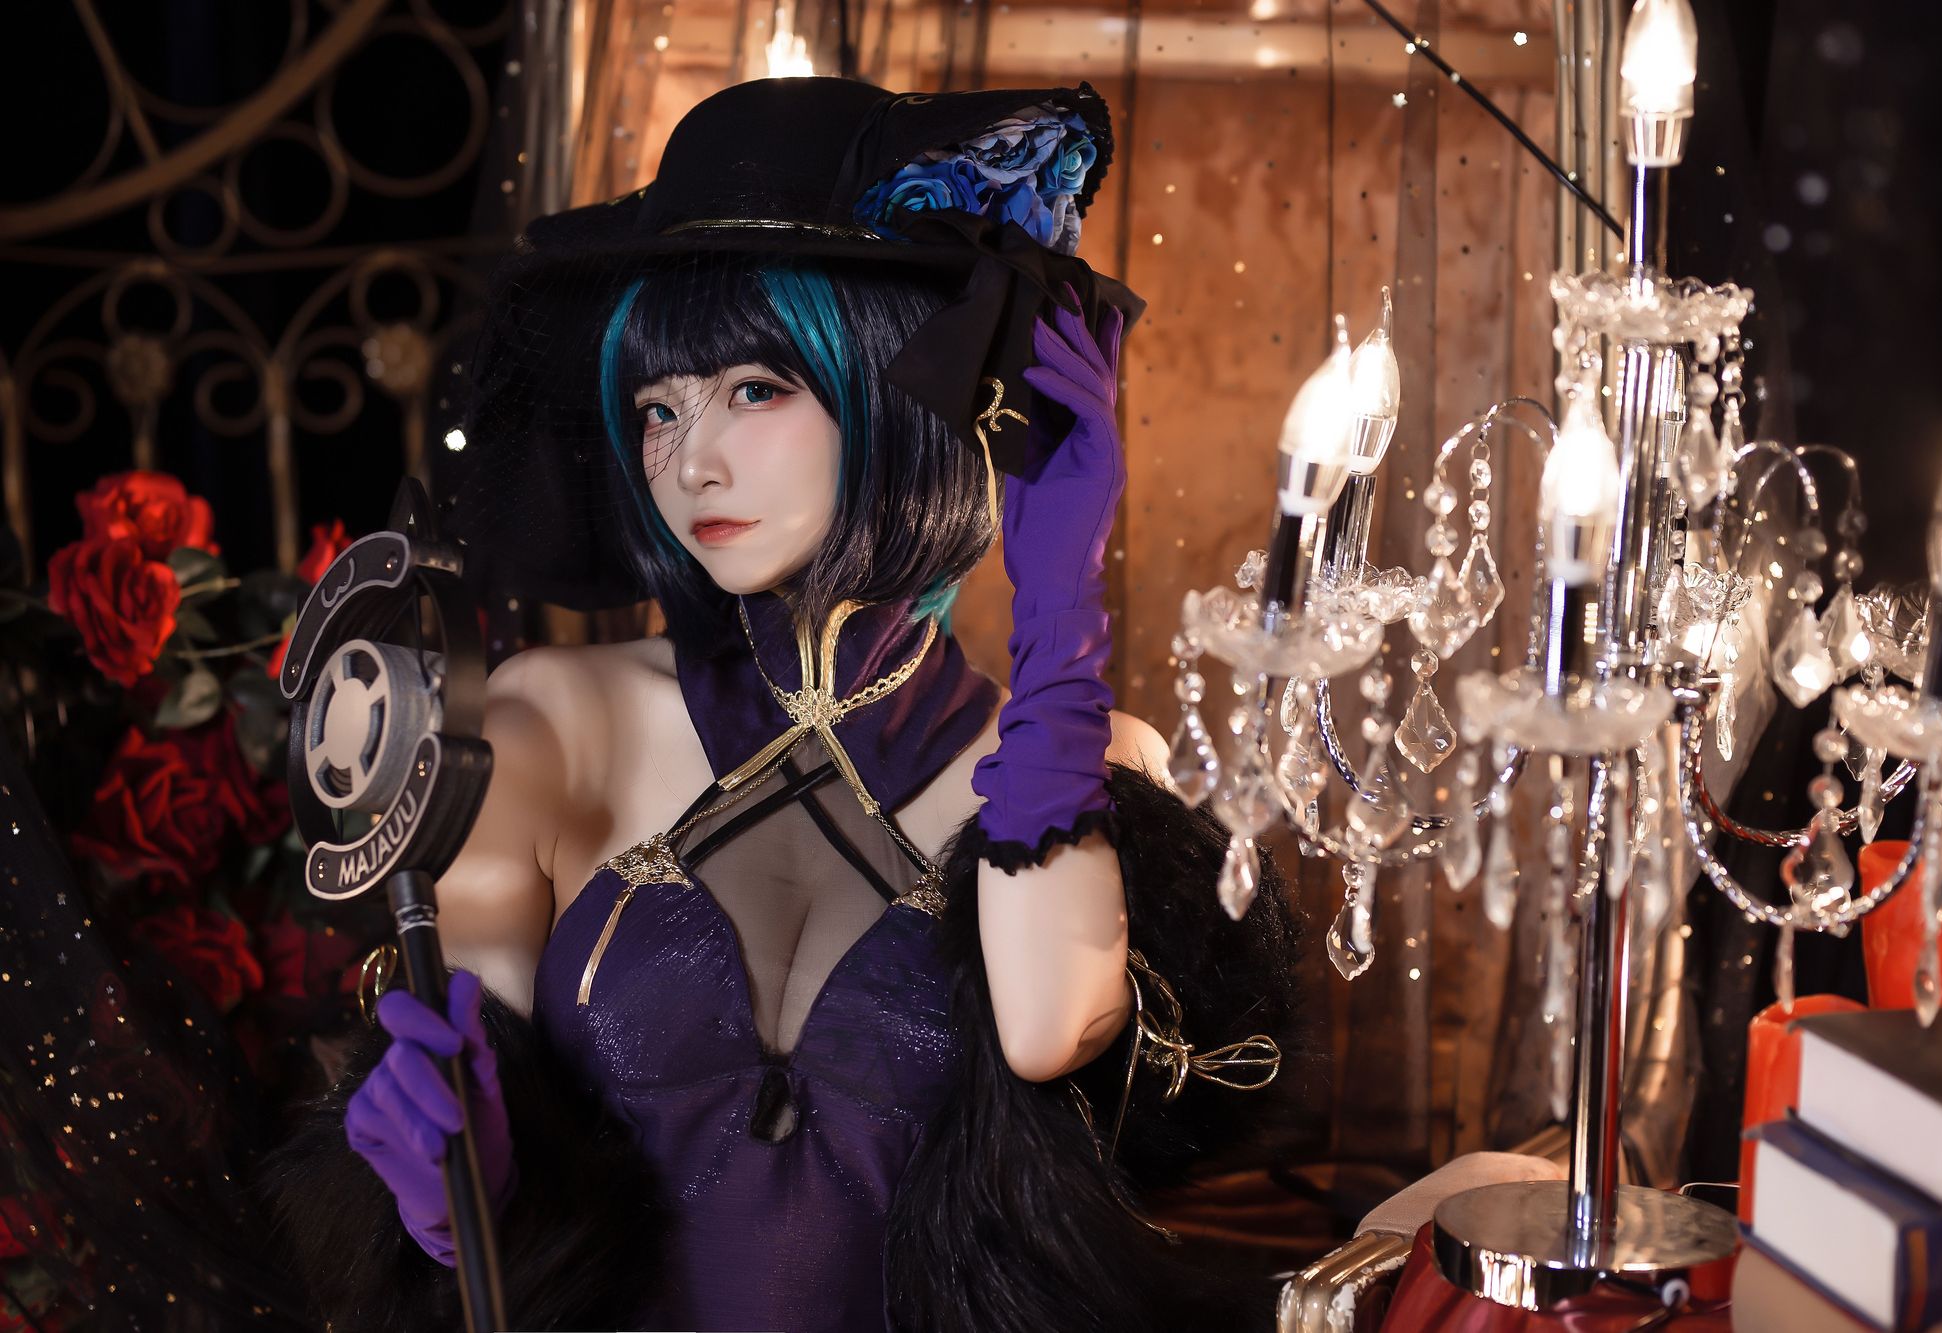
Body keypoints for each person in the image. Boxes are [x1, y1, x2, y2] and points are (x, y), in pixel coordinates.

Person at [1, 76, 1301, 1333]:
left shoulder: (1077, 761)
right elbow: (472, 1133)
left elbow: (1050, 1025)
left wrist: (1062, 602)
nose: (689, 461)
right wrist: (452, 1190)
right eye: (658, 407)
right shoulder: (553, 727)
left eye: (755, 389)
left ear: (898, 391)